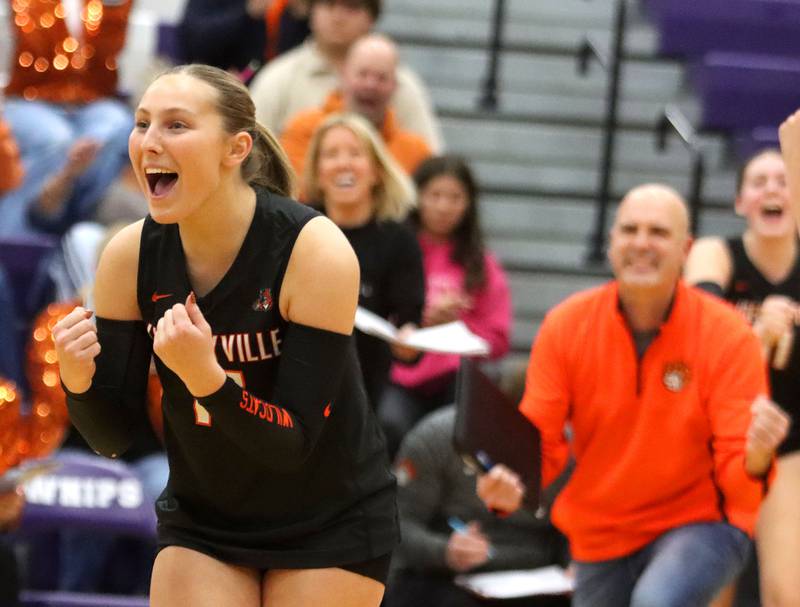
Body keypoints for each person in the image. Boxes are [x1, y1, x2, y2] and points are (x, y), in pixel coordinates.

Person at [53, 64, 397, 606]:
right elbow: (113, 439)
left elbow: (293, 445)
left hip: (330, 516)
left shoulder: (314, 250)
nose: (149, 142)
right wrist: (76, 381)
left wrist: (205, 378)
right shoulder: (129, 254)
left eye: (176, 125)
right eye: (142, 123)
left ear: (236, 149)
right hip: (204, 517)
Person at [476, 184, 789, 607]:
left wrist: (757, 455)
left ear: (686, 249)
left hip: (701, 523)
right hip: (601, 531)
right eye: (629, 230)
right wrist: (511, 481)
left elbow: (741, 486)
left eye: (658, 232)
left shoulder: (729, 335)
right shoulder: (565, 326)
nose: (641, 243)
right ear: (610, 244)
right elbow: (540, 442)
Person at [684, 148, 799, 607]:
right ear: (740, 203)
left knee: (787, 593)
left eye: (783, 180)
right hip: (716, 439)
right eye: (758, 181)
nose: (772, 188)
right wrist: (757, 327)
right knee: (712, 591)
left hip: (791, 441)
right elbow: (696, 324)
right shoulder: (717, 252)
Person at [383, 360, 569, 607]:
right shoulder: (437, 438)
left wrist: (577, 564)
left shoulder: (567, 452)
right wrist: (443, 550)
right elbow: (395, 525)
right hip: (444, 577)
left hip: (538, 581)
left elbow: (574, 533)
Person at [378, 155, 511, 458]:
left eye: (455, 198)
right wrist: (423, 319)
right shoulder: (396, 252)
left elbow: (499, 339)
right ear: (417, 197)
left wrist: (455, 327)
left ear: (469, 204)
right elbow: (373, 317)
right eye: (435, 195)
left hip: (456, 380)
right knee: (388, 423)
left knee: (462, 429)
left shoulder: (482, 265)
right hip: (399, 378)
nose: (444, 207)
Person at [303, 112, 425, 410]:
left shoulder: (399, 240)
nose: (344, 163)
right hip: (303, 375)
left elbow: (408, 325)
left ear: (376, 171)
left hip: (369, 383)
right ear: (318, 172)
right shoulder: (296, 230)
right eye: (331, 154)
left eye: (356, 154)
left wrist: (408, 342)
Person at [1, 0, 134, 236]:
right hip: (28, 99)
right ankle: (16, 238)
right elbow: (27, 57)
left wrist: (113, 10)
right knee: (56, 138)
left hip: (93, 101)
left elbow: (107, 57)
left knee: (113, 129)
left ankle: (72, 229)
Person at [249, 0, 443, 151]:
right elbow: (252, 153)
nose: (338, 17)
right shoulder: (278, 78)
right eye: (328, 4)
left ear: (371, 17)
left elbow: (428, 161)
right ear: (311, 11)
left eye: (351, 6)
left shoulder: (400, 82)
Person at [280, 33, 431, 180]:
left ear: (395, 86)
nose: (370, 85)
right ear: (343, 76)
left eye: (381, 78)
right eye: (362, 74)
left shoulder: (415, 152)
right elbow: (293, 189)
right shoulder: (305, 130)